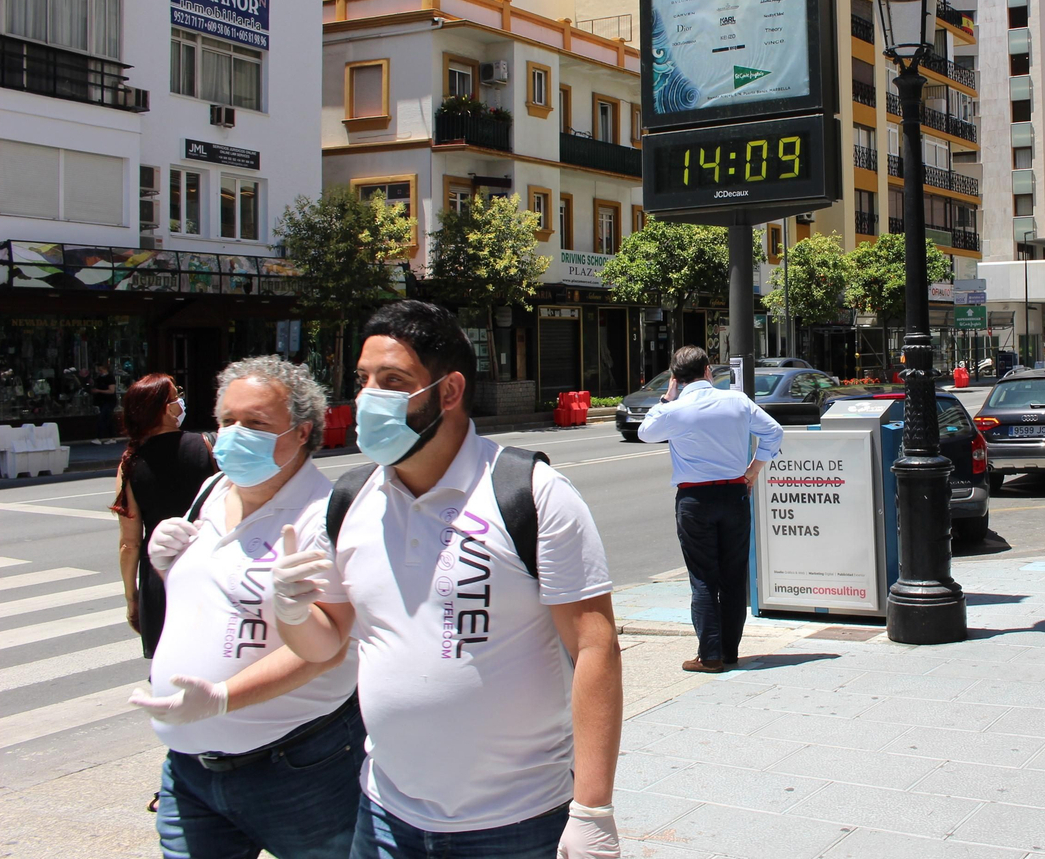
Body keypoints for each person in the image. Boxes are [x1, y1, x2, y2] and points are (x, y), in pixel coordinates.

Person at [270, 300, 622, 859]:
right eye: (362, 380)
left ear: (449, 391)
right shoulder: (349, 501)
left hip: (518, 822)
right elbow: (328, 638)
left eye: (392, 381)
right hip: (385, 816)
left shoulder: (530, 493)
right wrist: (290, 613)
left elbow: (595, 647)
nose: (366, 399)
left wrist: (593, 809)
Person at [130, 356, 364, 859]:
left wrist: (222, 698)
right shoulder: (213, 492)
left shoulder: (324, 515)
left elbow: (329, 646)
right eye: (227, 422)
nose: (235, 435)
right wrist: (169, 567)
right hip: (190, 769)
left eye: (256, 424)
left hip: (298, 768)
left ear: (302, 433)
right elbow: (214, 602)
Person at [638, 345, 784, 673]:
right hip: (734, 494)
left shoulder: (675, 408)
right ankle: (730, 652)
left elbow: (645, 433)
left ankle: (710, 655)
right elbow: (774, 432)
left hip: (694, 501)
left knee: (703, 578)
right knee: (733, 577)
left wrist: (666, 398)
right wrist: (754, 469)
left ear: (675, 378)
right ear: (708, 372)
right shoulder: (736, 401)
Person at [111, 374, 216, 657]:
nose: (181, 400)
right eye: (176, 395)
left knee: (167, 672)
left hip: (159, 576)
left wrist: (132, 597)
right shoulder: (210, 446)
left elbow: (130, 543)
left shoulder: (130, 463)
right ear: (166, 409)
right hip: (209, 570)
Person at [91, 360, 118, 443]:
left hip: (109, 401)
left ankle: (99, 437)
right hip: (102, 401)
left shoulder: (110, 377)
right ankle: (112, 437)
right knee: (108, 418)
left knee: (102, 418)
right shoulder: (98, 378)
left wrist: (99, 391)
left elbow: (111, 391)